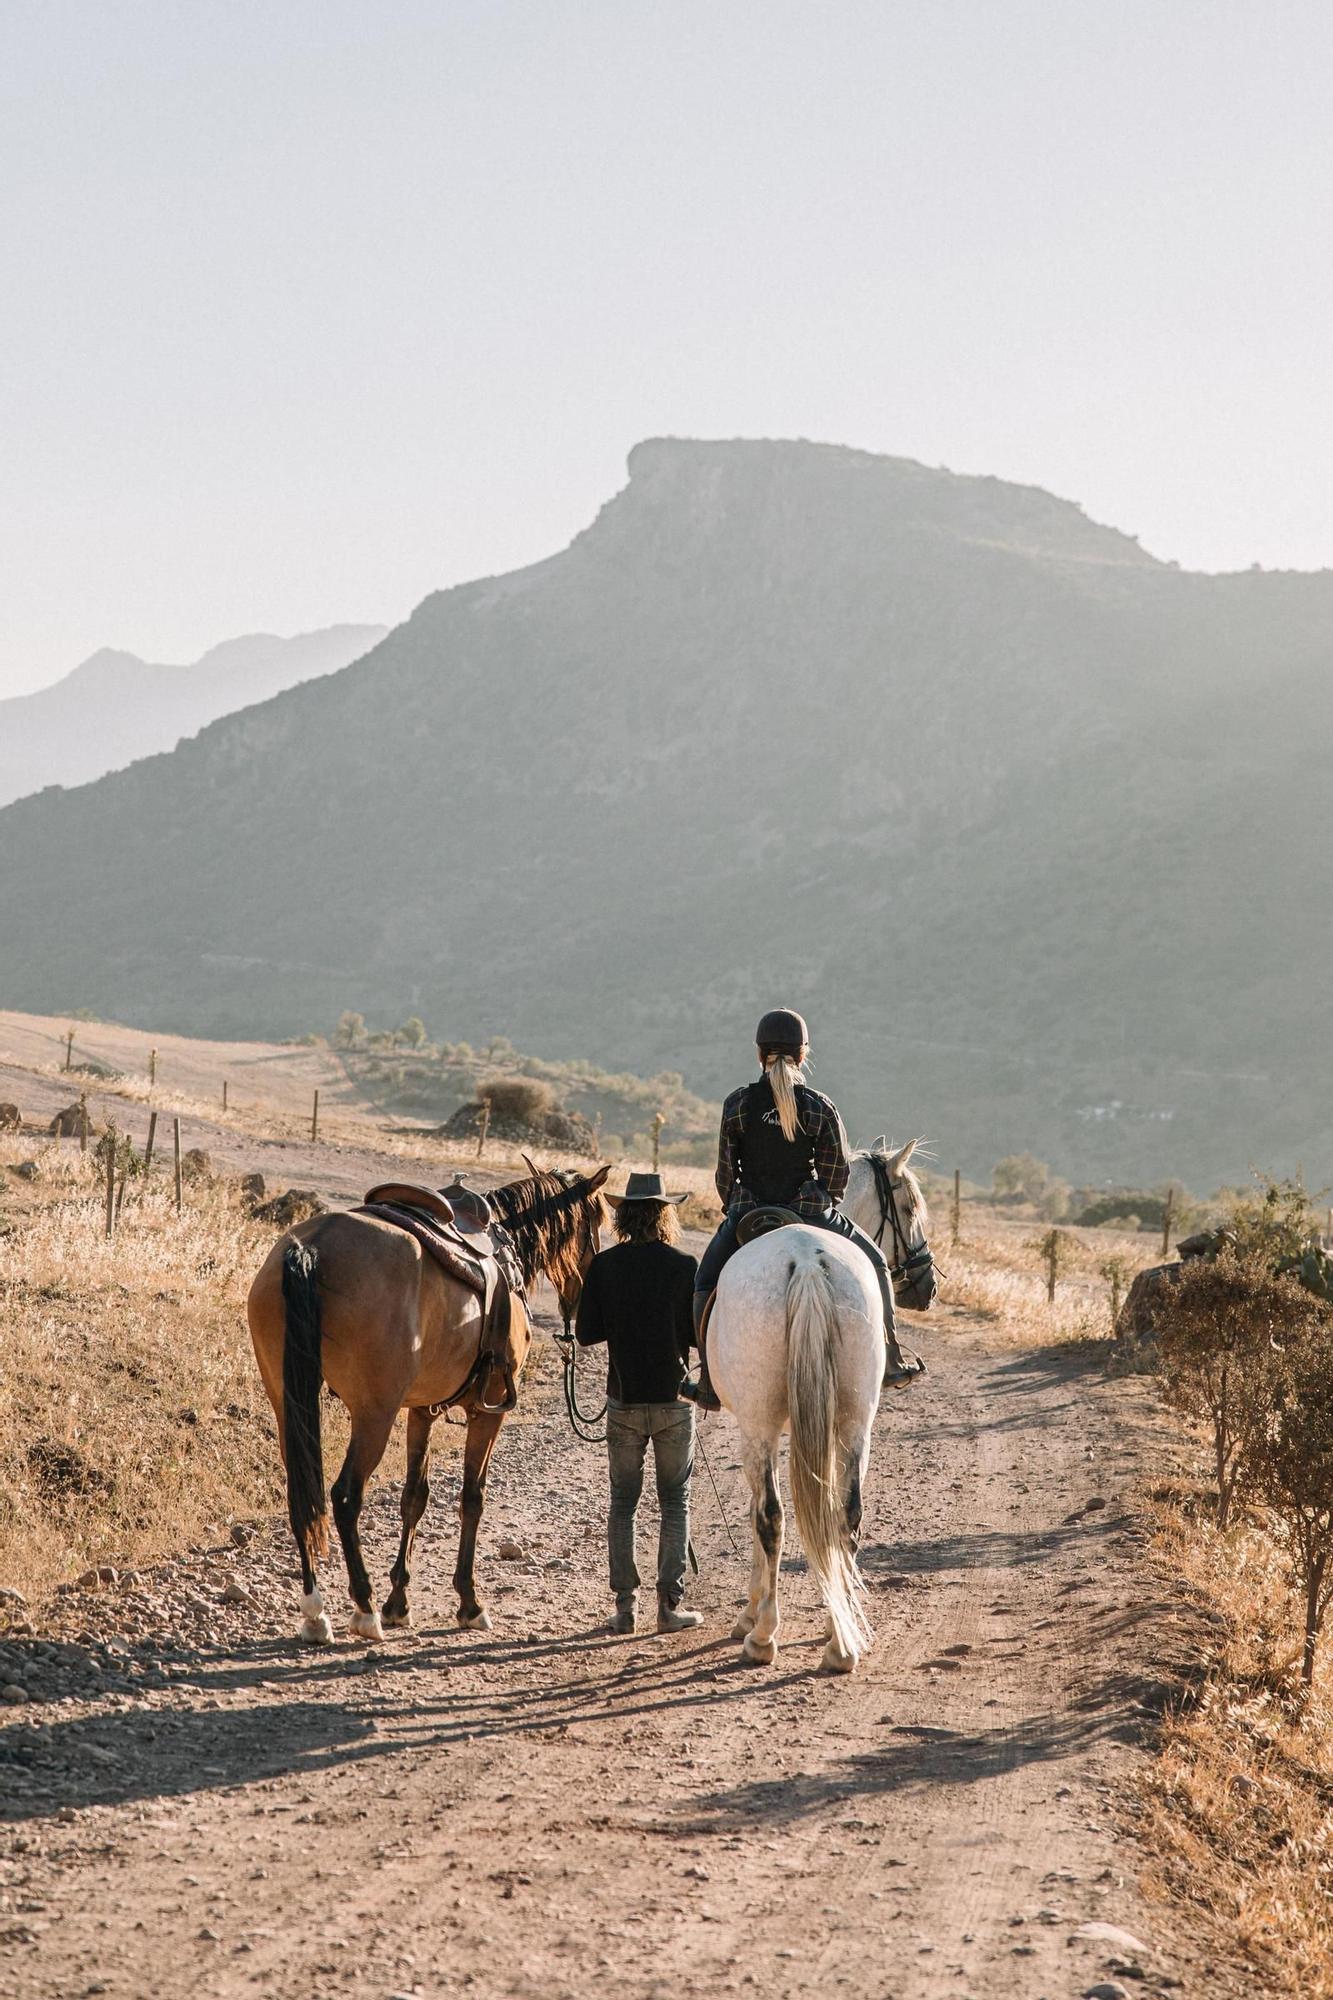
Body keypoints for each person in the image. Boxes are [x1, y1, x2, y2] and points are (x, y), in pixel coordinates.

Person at [682, 1008, 924, 1412]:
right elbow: (836, 1177)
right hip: (810, 1213)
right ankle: (892, 1358)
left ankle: (707, 1379)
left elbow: (725, 1175)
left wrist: (743, 1206)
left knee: (704, 1282)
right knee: (877, 1263)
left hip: (750, 1217)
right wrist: (809, 1203)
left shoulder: (738, 1103)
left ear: (759, 1054)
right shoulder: (819, 1106)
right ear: (802, 1054)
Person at [575, 1171, 704, 1635]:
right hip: (674, 1399)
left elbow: (586, 1334)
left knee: (623, 1503)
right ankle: (669, 1608)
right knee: (675, 1502)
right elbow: (697, 1336)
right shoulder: (685, 1265)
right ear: (664, 1215)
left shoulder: (605, 1266)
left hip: (624, 1400)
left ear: (624, 1215)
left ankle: (625, 1609)